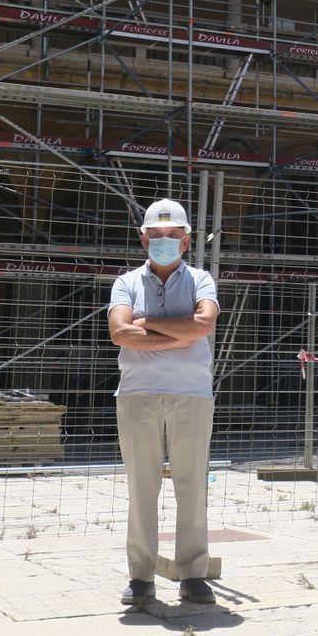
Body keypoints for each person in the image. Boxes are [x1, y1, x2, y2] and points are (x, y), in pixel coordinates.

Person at [107, 198, 220, 607]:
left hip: (191, 393)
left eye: (173, 236)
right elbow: (120, 333)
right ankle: (141, 576)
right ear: (143, 239)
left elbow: (204, 324)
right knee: (142, 486)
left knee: (192, 485)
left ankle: (193, 573)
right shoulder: (127, 282)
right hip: (139, 392)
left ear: (186, 242)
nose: (165, 242)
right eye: (156, 236)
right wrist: (182, 334)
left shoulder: (201, 280)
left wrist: (149, 323)